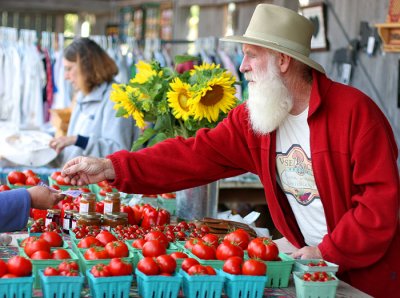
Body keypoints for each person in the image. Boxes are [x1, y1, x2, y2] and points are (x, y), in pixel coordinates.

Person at [60, 4, 400, 297]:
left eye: (251, 54)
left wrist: (326, 251)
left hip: (366, 277)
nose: (242, 66)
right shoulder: (258, 117)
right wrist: (112, 167)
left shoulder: (355, 113)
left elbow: (379, 205)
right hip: (307, 267)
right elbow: (193, 154)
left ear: (282, 61)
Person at [49, 37, 136, 166]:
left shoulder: (117, 97)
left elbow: (118, 152)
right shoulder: (82, 95)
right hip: (76, 181)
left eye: (69, 69)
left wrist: (78, 140)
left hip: (98, 185)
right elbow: (74, 150)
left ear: (87, 67)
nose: (65, 76)